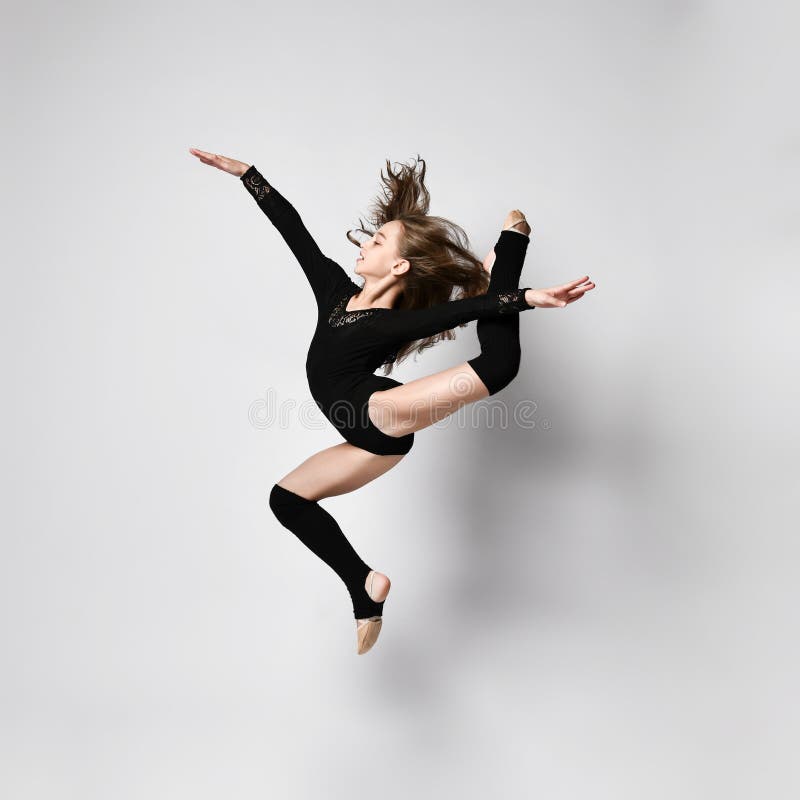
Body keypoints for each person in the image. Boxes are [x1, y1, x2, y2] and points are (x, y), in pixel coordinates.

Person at [189, 148, 595, 654]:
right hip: (367, 443)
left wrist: (528, 296)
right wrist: (251, 177)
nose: (364, 242)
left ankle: (510, 245)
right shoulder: (335, 291)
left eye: (377, 240)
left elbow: (469, 309)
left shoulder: (393, 321)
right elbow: (295, 234)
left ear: (398, 264)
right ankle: (364, 585)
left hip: (375, 410)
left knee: (499, 365)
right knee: (287, 500)